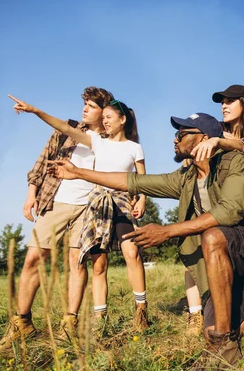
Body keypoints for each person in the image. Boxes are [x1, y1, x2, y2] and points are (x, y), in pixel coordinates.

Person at [47, 113, 244, 371]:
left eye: (182, 134)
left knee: (213, 236)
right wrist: (78, 173)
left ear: (204, 138)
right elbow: (132, 181)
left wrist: (167, 231)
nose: (175, 139)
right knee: (213, 329)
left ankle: (226, 345)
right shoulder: (187, 177)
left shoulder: (234, 162)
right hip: (224, 261)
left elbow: (229, 213)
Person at [8, 95, 150, 333]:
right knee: (59, 260)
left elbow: (136, 175)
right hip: (76, 202)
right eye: (100, 115)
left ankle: (130, 312)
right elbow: (54, 140)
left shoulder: (124, 144)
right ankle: (28, 321)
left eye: (104, 114)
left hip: (106, 204)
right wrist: (35, 110)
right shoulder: (85, 137)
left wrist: (140, 196)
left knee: (106, 257)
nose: (102, 120)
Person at [0, 86, 114, 349]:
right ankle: (22, 323)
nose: (84, 108)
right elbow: (41, 162)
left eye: (91, 106)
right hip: (55, 200)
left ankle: (68, 325)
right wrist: (31, 194)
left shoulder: (109, 139)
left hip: (89, 206)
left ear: (103, 111)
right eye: (84, 103)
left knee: (77, 262)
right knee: (33, 258)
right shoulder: (66, 129)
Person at [182, 84, 244, 336]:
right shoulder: (215, 132)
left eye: (230, 101)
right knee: (195, 248)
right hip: (219, 208)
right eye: (222, 101)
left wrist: (217, 142)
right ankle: (197, 313)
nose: (224, 105)